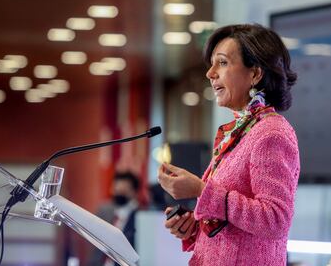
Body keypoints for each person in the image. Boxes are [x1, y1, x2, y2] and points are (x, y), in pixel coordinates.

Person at [158, 23, 300, 266]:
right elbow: (233, 225)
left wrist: (201, 191)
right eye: (212, 64)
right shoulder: (241, 131)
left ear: (255, 74)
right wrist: (194, 227)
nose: (210, 73)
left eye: (222, 63)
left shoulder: (271, 133)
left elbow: (275, 220)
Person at [88, 171, 140, 266]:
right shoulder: (105, 210)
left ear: (134, 191)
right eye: (116, 190)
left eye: (123, 191)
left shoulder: (140, 216)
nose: (118, 193)